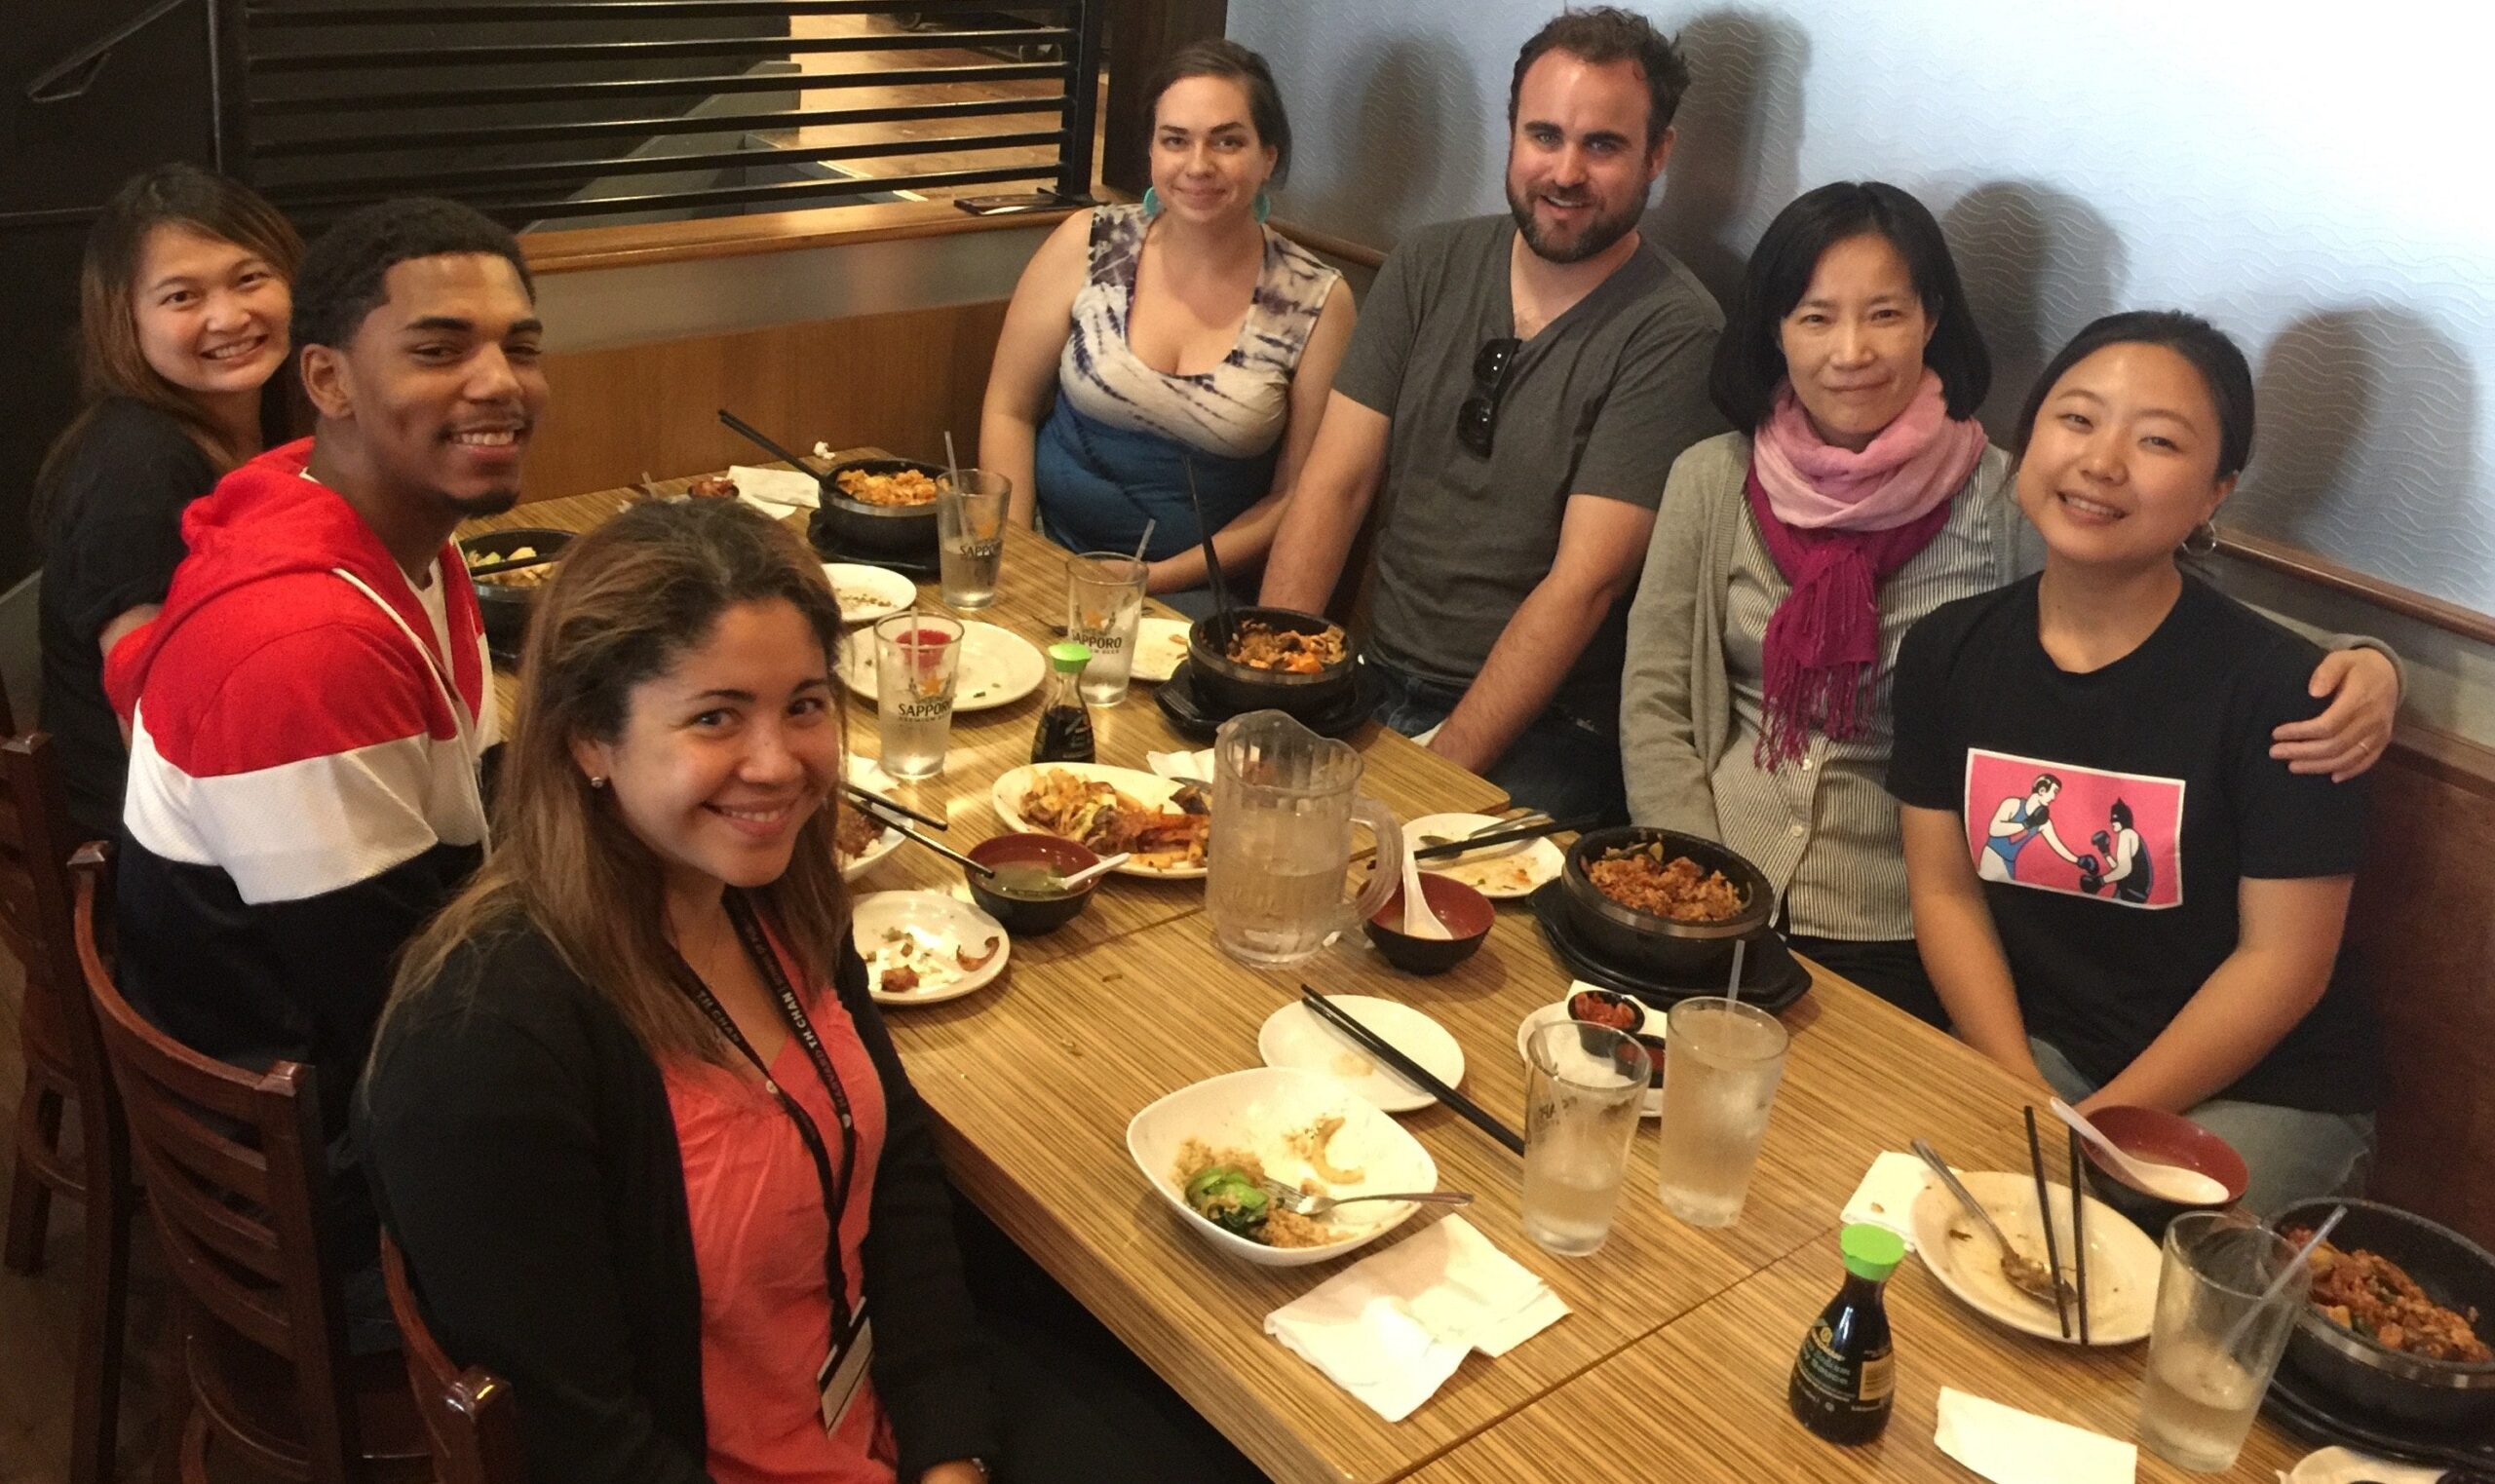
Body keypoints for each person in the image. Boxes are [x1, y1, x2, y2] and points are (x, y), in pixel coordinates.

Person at [1620, 184, 2399, 1023]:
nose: (1851, 351)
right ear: (1774, 330)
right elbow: (1657, 697)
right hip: (1709, 881)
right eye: (1815, 317)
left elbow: (2162, 610)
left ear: (1932, 320)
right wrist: (1697, 881)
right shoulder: (1711, 476)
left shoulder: (2012, 494)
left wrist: (2372, 663)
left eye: (1884, 314)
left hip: (1913, 921)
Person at [359, 499, 1001, 1484]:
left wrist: (950, 1448)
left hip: (871, 1420)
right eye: (714, 716)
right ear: (588, 741)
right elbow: (577, 1443)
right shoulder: (486, 1035)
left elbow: (894, 1171)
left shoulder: (772, 890)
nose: (778, 763)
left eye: (804, 703)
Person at [105, 197, 540, 1325]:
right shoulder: (305, 655)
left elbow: (473, 815)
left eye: (519, 345)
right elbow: (406, 1017)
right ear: (330, 381)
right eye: (440, 348)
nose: (500, 382)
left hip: (334, 1063)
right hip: (324, 1188)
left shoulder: (372, 521)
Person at [1888, 312, 2380, 1214]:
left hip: (2259, 1085)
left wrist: (2096, 1126)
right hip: (2043, 1051)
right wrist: (2014, 1092)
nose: (2102, 461)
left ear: (2216, 490)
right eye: (2076, 419)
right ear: (2024, 440)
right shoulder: (1946, 653)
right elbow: (1945, 891)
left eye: (2157, 441)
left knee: (2111, 1244)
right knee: (1909, 1199)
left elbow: (2283, 964)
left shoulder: (2289, 696)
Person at [1258, 7, 1722, 822]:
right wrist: (1279, 687)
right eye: (1544, 135)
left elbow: (1583, 585)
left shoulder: (1675, 329)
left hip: (1548, 731)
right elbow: (1333, 487)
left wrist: (1431, 779)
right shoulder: (1428, 263)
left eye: (1603, 145)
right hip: (1371, 673)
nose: (1566, 172)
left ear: (1659, 155)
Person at [980, 40, 1352, 611]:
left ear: (1268, 157)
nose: (1198, 165)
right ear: (1152, 151)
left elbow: (1293, 497)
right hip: (1046, 552)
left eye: (1227, 141)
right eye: (1175, 140)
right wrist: (1020, 555)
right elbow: (1009, 408)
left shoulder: (1317, 300)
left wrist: (1153, 579)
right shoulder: (1089, 241)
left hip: (1196, 593)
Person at [32, 164, 301, 840]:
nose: (228, 316)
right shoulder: (135, 471)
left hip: (253, 775)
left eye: (249, 278)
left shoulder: (281, 416)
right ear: (126, 319)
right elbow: (154, 730)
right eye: (182, 296)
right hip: (164, 852)